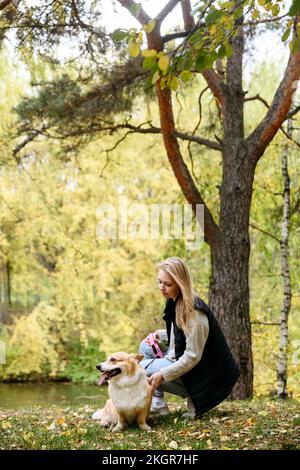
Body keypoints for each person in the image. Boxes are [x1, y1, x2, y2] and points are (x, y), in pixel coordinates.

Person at [139, 257, 240, 419]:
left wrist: (163, 374)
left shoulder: (194, 313)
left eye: (167, 284)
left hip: (209, 378)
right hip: (185, 361)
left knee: (140, 369)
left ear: (180, 283)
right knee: (145, 347)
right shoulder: (175, 300)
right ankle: (158, 404)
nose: (162, 288)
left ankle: (194, 398)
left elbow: (192, 356)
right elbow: (181, 333)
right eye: (159, 282)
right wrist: (159, 335)